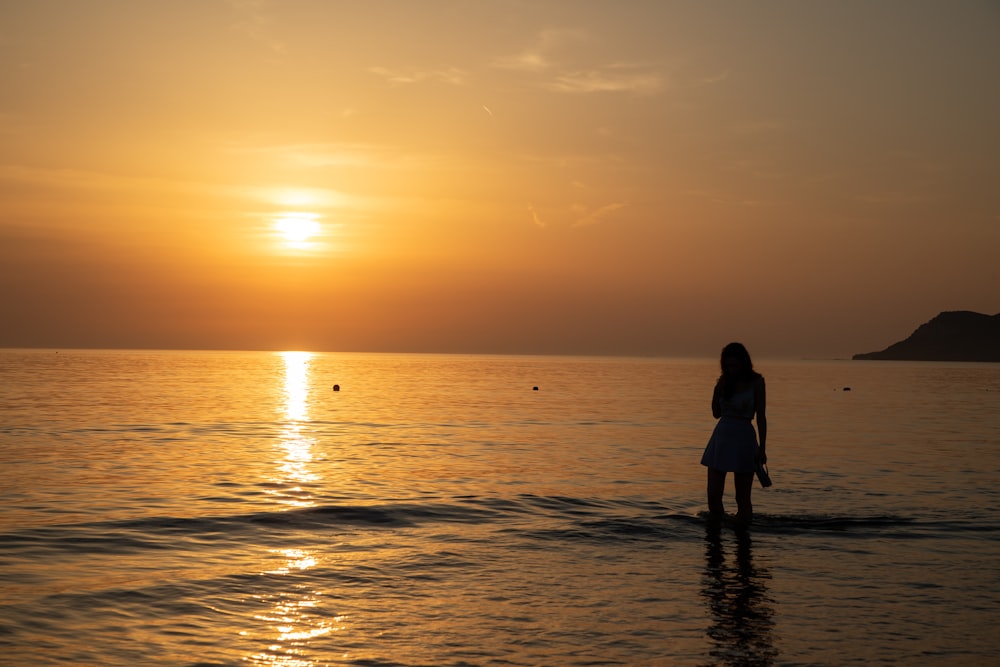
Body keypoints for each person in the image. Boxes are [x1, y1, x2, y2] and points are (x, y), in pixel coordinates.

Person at [700, 342, 767, 524]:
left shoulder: (757, 382)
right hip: (721, 437)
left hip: (744, 437)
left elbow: (761, 417)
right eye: (728, 366)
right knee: (713, 496)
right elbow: (716, 413)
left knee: (742, 498)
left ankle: (743, 537)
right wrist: (717, 390)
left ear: (744, 363)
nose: (731, 369)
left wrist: (762, 448)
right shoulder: (724, 383)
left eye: (735, 365)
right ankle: (716, 534)